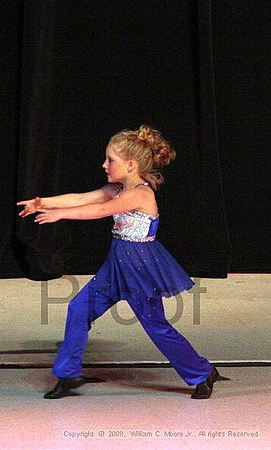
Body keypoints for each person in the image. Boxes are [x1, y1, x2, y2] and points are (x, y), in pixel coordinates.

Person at [17, 124, 221, 400]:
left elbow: (100, 210)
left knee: (157, 327)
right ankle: (68, 375)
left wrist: (60, 215)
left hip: (140, 270)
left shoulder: (140, 193)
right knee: (79, 309)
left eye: (110, 160)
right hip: (116, 267)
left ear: (130, 164)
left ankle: (203, 371)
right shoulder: (118, 187)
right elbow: (83, 198)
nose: (104, 165)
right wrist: (43, 204)